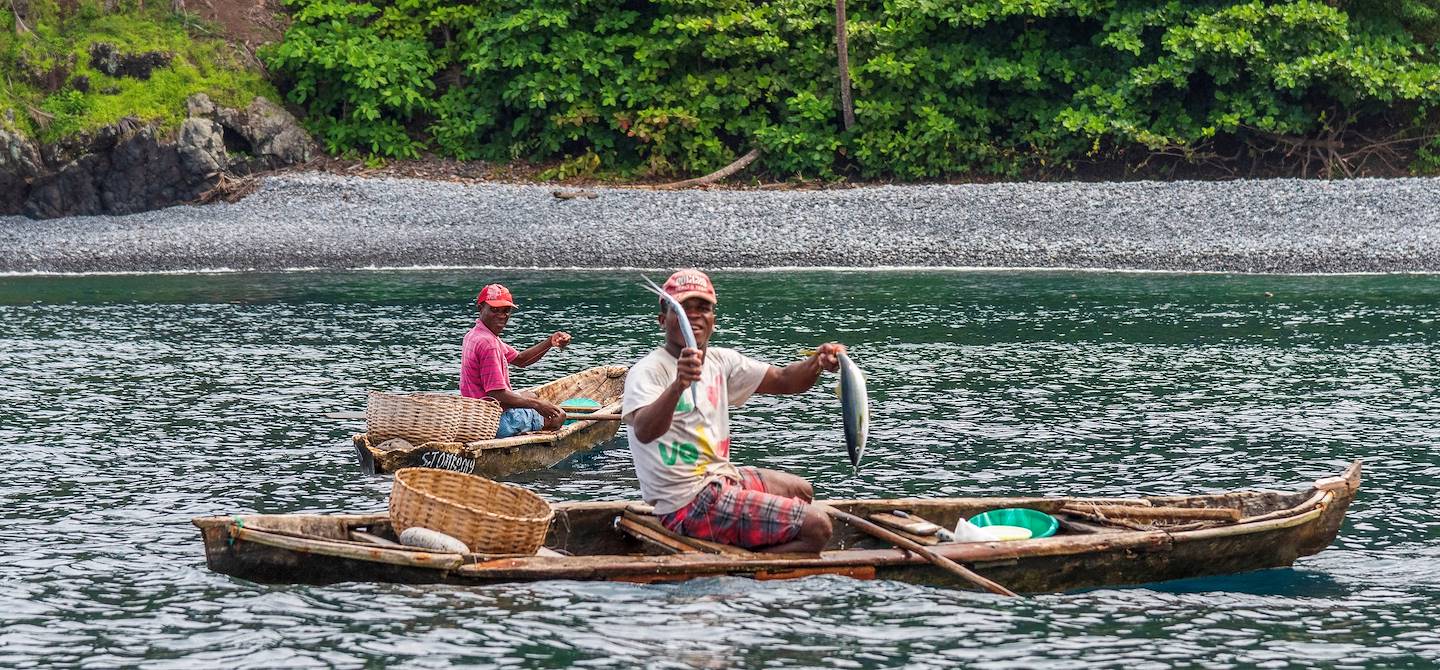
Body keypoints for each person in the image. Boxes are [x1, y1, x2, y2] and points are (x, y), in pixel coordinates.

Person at [623, 269, 845, 554]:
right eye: (683, 309)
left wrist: (817, 361)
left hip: (721, 479)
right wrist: (679, 385)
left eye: (703, 308)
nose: (694, 316)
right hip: (685, 504)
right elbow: (644, 430)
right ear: (662, 321)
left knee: (802, 491)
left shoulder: (720, 361)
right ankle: (747, 567)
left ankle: (752, 542)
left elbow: (785, 380)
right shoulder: (648, 371)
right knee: (818, 527)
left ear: (713, 320)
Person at [460, 283, 572, 438]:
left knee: (531, 395)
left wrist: (549, 342)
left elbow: (521, 360)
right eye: (494, 310)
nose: (501, 315)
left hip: (474, 416)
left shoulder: (475, 335)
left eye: (506, 310)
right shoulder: (488, 344)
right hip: (494, 423)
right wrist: (538, 405)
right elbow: (496, 394)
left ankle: (530, 421)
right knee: (559, 416)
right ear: (481, 308)